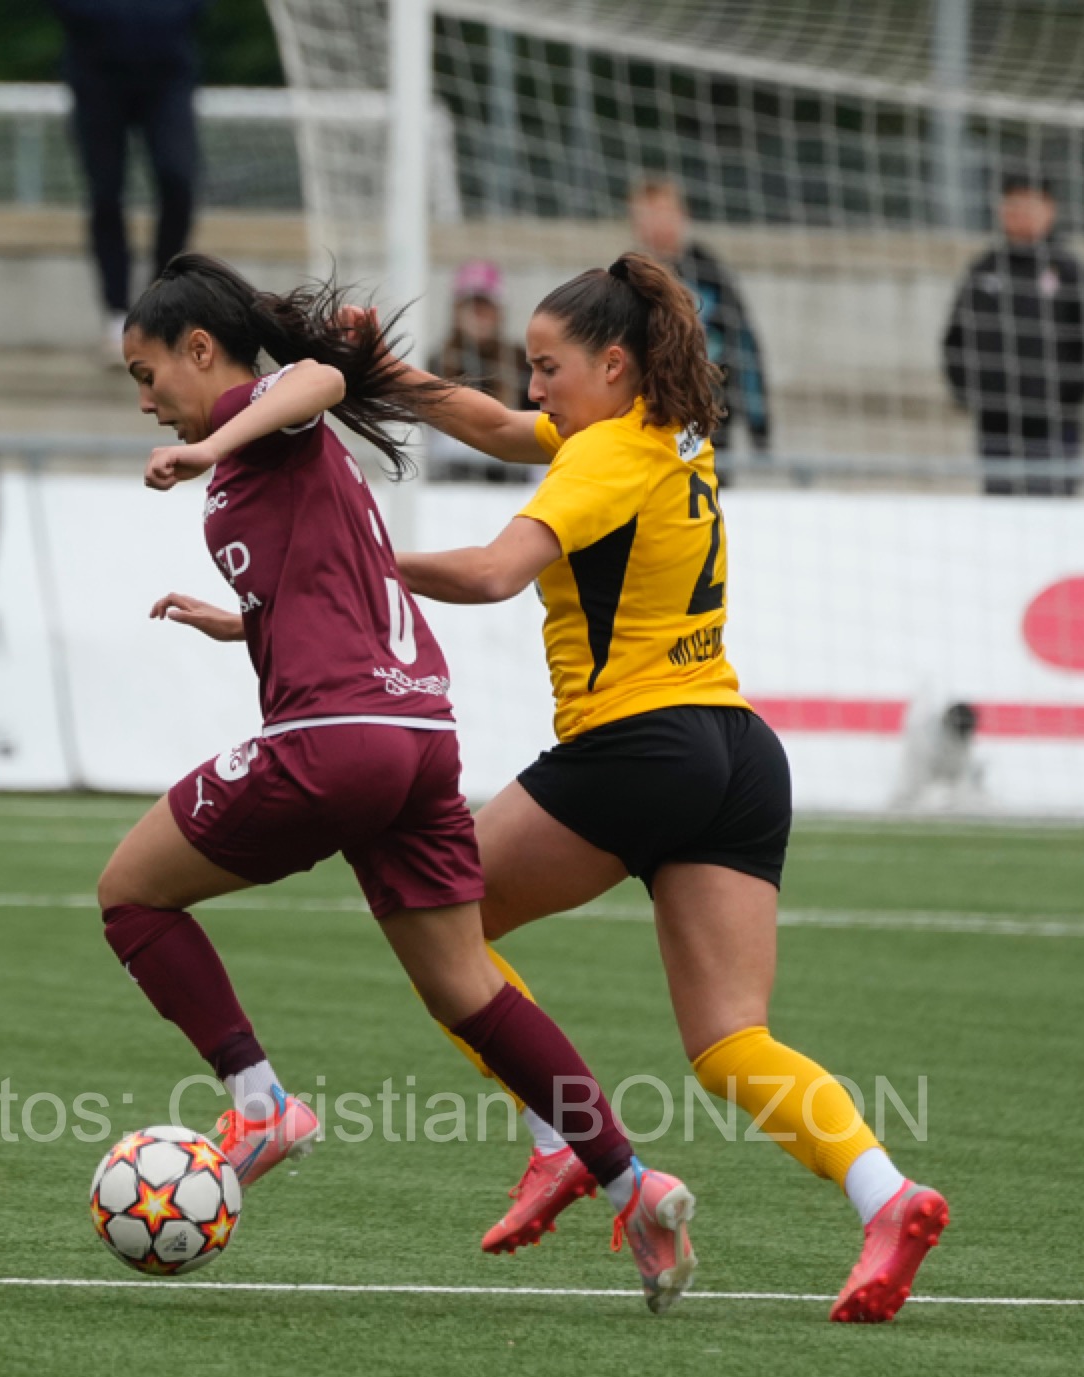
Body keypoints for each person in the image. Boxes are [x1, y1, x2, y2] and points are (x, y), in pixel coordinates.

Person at [106, 253, 699, 1314]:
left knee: (130, 892)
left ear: (202, 351)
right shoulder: (278, 453)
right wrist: (241, 623)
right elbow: (328, 582)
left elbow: (320, 380)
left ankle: (258, 1100)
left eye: (147, 372)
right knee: (464, 986)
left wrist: (207, 439)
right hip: (418, 737)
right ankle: (632, 1181)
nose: (144, 397)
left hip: (336, 737)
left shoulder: (262, 414)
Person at [380, 252, 948, 1323]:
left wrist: (363, 560)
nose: (532, 386)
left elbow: (499, 574)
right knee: (734, 1039)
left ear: (614, 365)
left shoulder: (600, 464)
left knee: (434, 915)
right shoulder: (669, 436)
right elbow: (501, 429)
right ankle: (889, 1193)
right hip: (738, 751)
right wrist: (383, 374)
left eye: (548, 367)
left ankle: (561, 1141)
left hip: (638, 743)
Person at [941, 171, 1084, 495]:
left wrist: (1065, 392)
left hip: (1054, 423)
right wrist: (969, 391)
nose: (1019, 213)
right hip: (995, 421)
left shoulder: (1071, 273)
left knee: (1050, 511)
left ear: (1050, 210)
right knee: (1001, 510)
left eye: (1029, 205)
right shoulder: (984, 270)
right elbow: (955, 339)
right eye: (1013, 204)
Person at [51, 0, 207, 353]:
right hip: (96, 73)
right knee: (105, 193)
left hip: (168, 71)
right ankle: (116, 311)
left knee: (177, 180)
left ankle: (160, 301)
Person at [631, 177, 770, 465]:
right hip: (647, 417)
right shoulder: (628, 278)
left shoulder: (710, 272)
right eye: (648, 216)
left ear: (683, 216)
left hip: (710, 411)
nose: (657, 224)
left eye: (664, 214)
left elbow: (743, 342)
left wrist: (759, 424)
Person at [429, 259, 533, 483]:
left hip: (512, 476)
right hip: (450, 478)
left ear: (499, 311)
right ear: (456, 310)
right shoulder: (438, 361)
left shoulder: (521, 361)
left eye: (485, 305)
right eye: (470, 305)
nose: (478, 314)